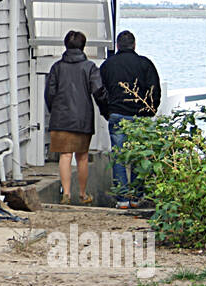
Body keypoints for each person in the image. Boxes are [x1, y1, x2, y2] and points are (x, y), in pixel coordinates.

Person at [99, 30, 162, 209]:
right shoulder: (145, 64)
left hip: (117, 114)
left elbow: (100, 92)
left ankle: (122, 199)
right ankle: (136, 196)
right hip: (141, 116)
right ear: (134, 45)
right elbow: (154, 89)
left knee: (119, 156)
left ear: (117, 46)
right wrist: (151, 110)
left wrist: (107, 112)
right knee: (138, 157)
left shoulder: (108, 65)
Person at [45, 30, 108, 204]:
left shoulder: (56, 67)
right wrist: (105, 109)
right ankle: (82, 193)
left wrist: (54, 110)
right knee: (82, 156)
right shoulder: (90, 67)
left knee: (65, 155)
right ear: (83, 46)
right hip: (82, 117)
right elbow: (98, 91)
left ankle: (66, 193)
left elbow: (49, 93)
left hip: (60, 117)